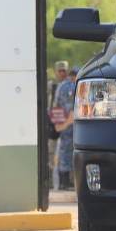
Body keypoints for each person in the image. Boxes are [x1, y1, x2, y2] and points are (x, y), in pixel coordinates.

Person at [53, 66, 78, 190]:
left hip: (64, 123)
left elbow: (56, 105)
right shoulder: (72, 85)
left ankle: (64, 182)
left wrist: (57, 123)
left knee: (64, 151)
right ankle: (66, 182)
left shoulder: (61, 86)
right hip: (72, 124)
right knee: (70, 151)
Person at [47, 60, 68, 189]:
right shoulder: (51, 86)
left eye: (64, 70)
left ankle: (66, 182)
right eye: (59, 71)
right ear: (55, 72)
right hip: (53, 122)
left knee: (66, 152)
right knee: (50, 152)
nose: (62, 73)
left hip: (67, 123)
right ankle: (48, 181)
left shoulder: (71, 84)